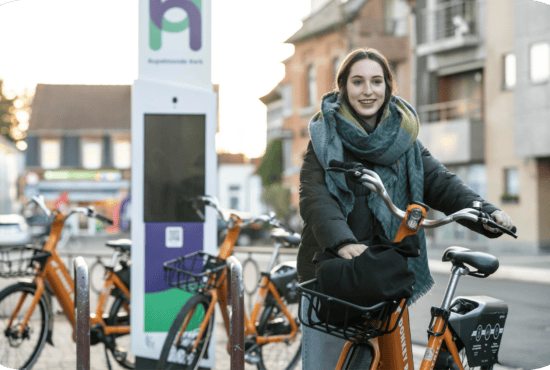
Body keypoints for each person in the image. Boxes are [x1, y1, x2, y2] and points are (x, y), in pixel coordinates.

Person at [297, 48, 514, 368]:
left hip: (384, 269)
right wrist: (342, 241)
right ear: (342, 87)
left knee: (392, 360)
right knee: (328, 363)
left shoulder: (404, 138)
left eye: (376, 81)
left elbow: (439, 181)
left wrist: (485, 211)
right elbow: (314, 195)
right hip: (333, 272)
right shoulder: (324, 137)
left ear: (388, 87)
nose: (367, 91)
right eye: (357, 82)